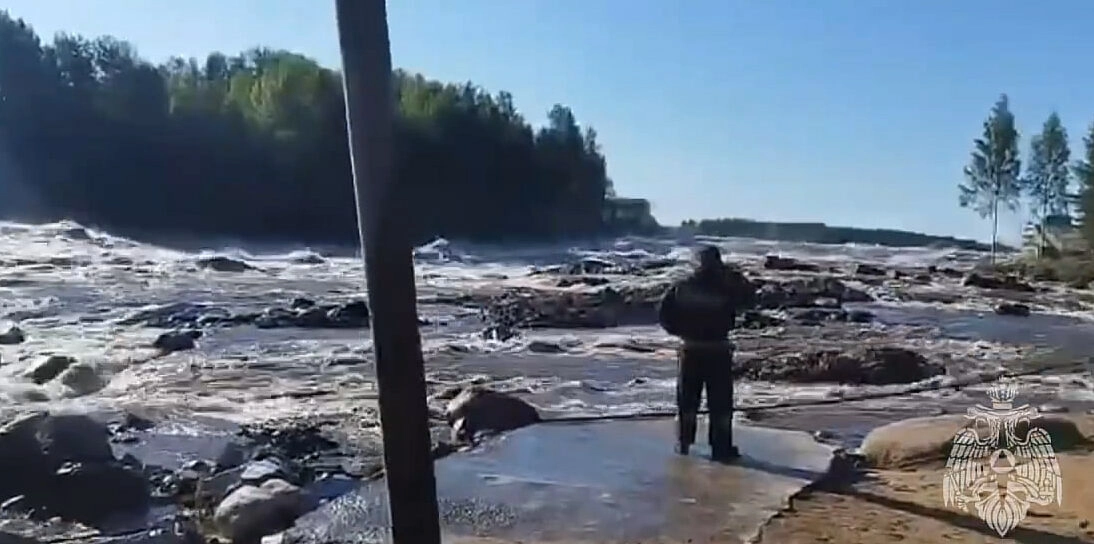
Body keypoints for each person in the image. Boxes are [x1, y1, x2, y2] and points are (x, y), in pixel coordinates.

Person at [658, 245, 756, 462]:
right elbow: (751, 300)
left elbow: (664, 314)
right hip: (718, 349)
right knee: (720, 403)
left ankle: (684, 443)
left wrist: (680, 332)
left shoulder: (682, 287)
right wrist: (737, 277)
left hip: (691, 348)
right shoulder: (726, 286)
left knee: (687, 400)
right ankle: (721, 449)